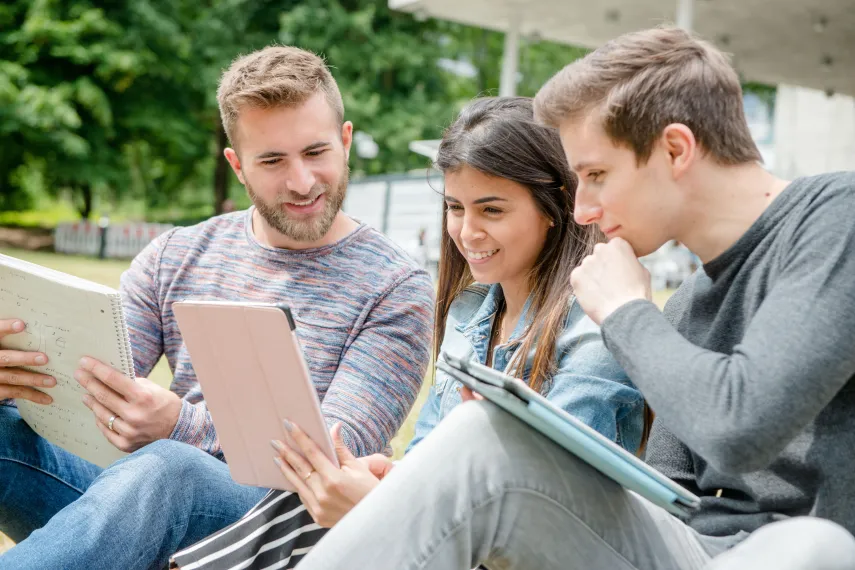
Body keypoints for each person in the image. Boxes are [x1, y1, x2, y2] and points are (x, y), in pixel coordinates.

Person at [293, 27, 855, 570]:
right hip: (690, 554)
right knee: (482, 437)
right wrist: (447, 488)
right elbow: (670, 498)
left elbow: (739, 433)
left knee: (811, 546)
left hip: (812, 552)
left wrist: (625, 312)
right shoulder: (685, 306)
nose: (581, 210)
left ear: (675, 150)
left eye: (597, 174)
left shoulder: (837, 219)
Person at [0, 46, 434, 570]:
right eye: (272, 160)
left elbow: (328, 460)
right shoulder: (176, 254)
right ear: (237, 166)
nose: (301, 182)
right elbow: (94, 381)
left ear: (345, 141)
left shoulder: (396, 286)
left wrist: (181, 426)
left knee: (169, 468)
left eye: (315, 152)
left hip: (276, 528)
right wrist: (25, 376)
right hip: (140, 502)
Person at [169, 96, 647, 570]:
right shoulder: (468, 314)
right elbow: (426, 464)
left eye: (492, 210)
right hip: (457, 536)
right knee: (308, 493)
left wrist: (379, 504)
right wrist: (381, 480)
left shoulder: (594, 324)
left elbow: (542, 503)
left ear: (554, 206)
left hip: (531, 552)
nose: (467, 231)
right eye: (456, 207)